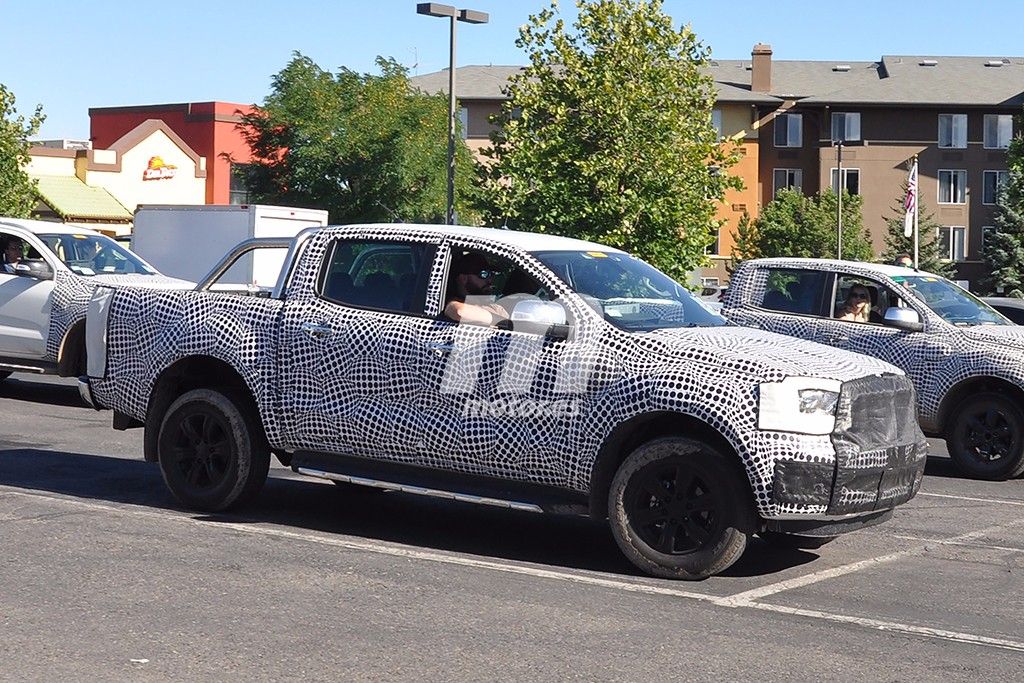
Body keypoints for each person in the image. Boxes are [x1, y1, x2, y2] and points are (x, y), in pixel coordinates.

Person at [444, 252, 510, 327]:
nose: (490, 280)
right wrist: (503, 322)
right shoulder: (450, 302)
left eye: (491, 274)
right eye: (483, 274)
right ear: (463, 278)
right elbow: (460, 312)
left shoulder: (497, 308)